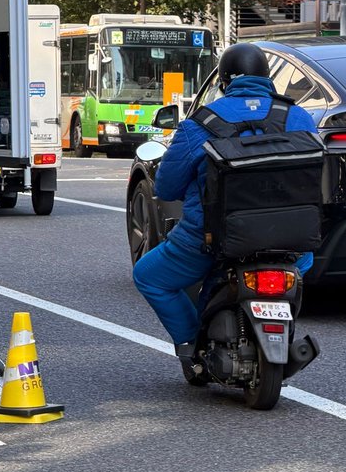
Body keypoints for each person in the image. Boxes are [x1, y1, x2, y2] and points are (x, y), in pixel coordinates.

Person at [132, 43, 318, 374]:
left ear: (223, 82)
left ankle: (192, 345)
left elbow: (167, 189)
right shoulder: (298, 116)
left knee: (149, 276)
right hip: (290, 241)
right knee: (301, 267)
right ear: (267, 78)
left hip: (209, 241)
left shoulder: (199, 124)